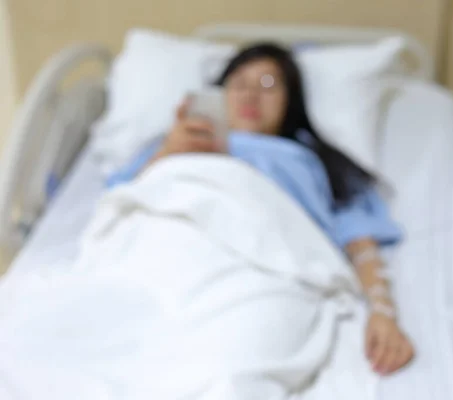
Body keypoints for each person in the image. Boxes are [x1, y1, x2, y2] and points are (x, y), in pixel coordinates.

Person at [106, 43, 414, 376]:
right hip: (165, 246)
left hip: (262, 267)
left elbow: (360, 242)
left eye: (268, 85)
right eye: (238, 84)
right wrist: (167, 152)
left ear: (290, 100)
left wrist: (382, 313)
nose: (250, 95)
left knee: (228, 357)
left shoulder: (314, 163)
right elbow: (118, 203)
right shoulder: (176, 142)